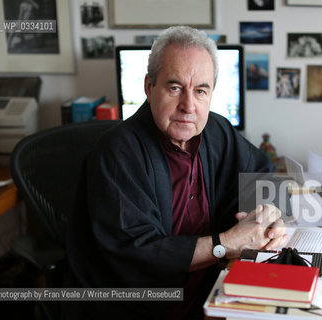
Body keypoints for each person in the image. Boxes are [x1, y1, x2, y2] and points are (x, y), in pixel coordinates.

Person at [64, 26, 287, 319]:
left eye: (200, 91)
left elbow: (264, 175)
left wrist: (269, 215)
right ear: (148, 87)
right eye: (175, 87)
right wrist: (227, 244)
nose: (188, 106)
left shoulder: (216, 130)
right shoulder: (118, 154)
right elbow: (138, 255)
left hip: (208, 293)